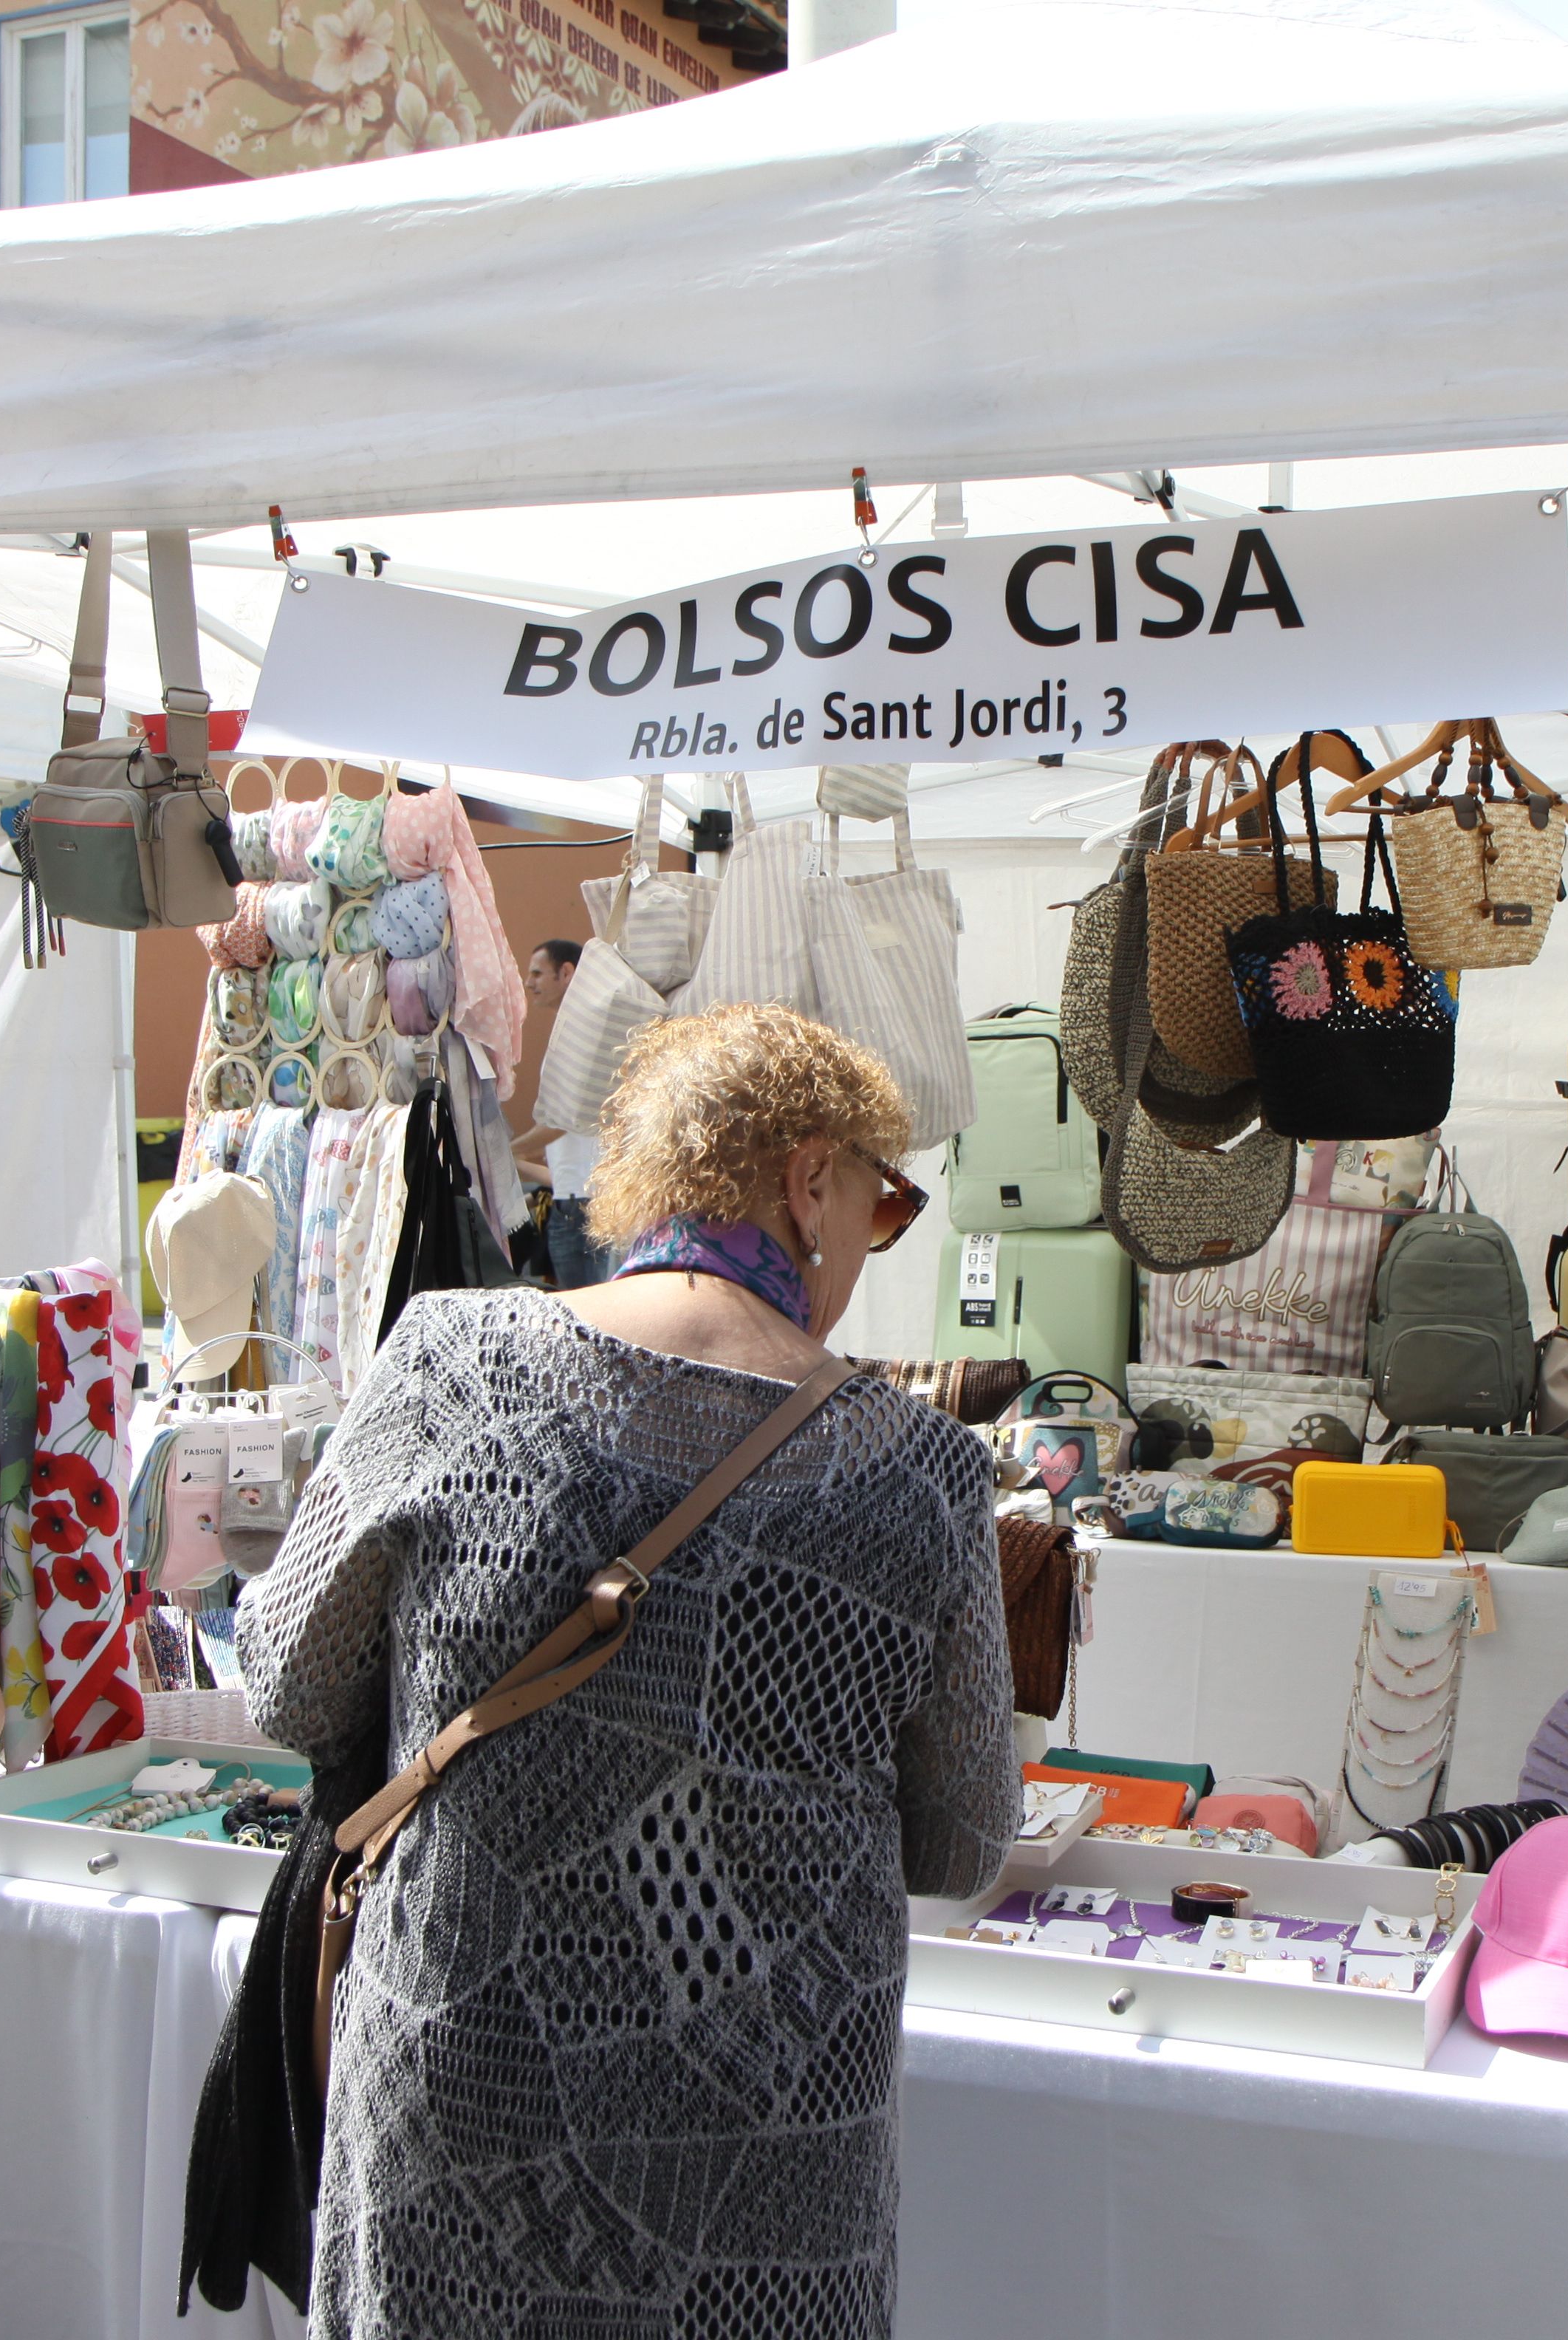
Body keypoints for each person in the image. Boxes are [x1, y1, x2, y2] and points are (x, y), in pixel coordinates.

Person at [240, 1000, 1013, 2340]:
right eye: (878, 1208)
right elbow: (959, 1838)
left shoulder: (447, 1360)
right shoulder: (925, 1472)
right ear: (806, 1175)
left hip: (461, 2109)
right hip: (765, 2164)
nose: (867, 1248)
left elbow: (290, 1688)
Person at [513, 939, 609, 1287]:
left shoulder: (587, 1030)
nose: (529, 983)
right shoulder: (567, 1031)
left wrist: (509, 1150)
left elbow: (564, 1118)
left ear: (566, 973)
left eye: (538, 973)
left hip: (594, 1206)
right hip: (568, 1203)